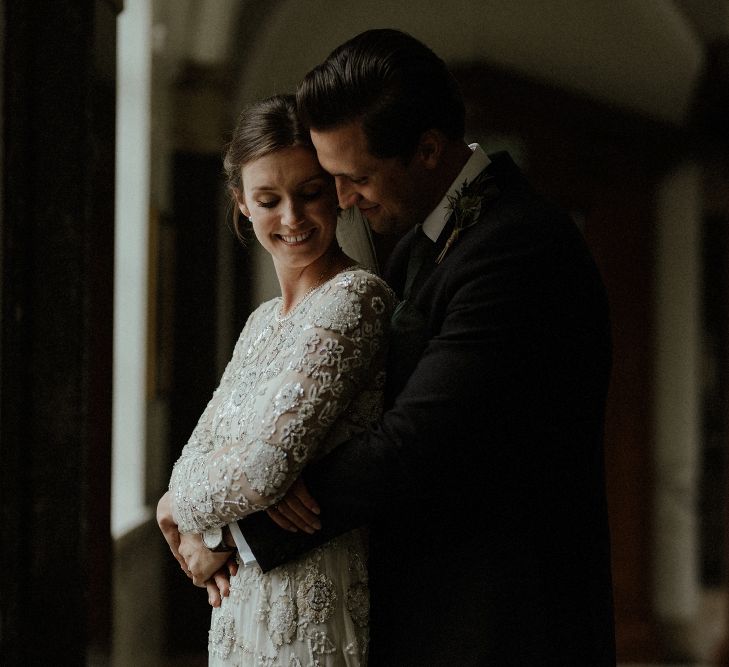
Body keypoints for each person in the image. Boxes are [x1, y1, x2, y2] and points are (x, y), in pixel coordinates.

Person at [163, 28, 616, 665]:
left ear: (427, 150)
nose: (342, 200)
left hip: (503, 622)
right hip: (427, 611)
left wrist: (243, 528)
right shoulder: (416, 244)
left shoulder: (519, 247)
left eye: (353, 179)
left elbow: (414, 441)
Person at [157, 93, 395, 665]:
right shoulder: (262, 322)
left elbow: (262, 469)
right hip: (240, 601)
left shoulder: (355, 299)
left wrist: (173, 507)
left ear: (337, 193)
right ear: (241, 204)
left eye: (309, 193)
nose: (291, 218)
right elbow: (203, 457)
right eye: (268, 200)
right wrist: (215, 510)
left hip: (307, 604)